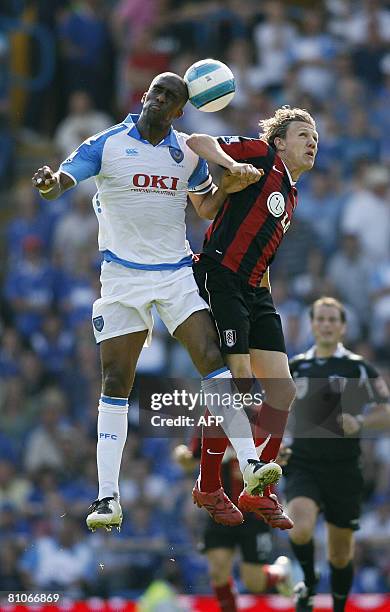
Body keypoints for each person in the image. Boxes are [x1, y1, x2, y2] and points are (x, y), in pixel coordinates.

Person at [31, 71, 282, 533]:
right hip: (122, 278)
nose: (157, 99)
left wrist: (233, 180)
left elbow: (205, 207)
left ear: (179, 110)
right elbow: (59, 181)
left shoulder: (185, 152)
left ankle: (249, 463)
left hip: (175, 275)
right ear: (145, 96)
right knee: (116, 380)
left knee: (211, 358)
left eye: (169, 97)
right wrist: (48, 183)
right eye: (155, 91)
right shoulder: (105, 144)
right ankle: (108, 495)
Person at [186, 106, 318, 529]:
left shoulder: (292, 193)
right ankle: (208, 484)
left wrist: (267, 303)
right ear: (280, 141)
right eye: (303, 134)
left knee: (282, 392)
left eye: (315, 137)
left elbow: (261, 250)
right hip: (221, 275)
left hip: (258, 292)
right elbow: (198, 142)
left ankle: (256, 489)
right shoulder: (260, 154)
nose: (312, 141)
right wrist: (229, 166)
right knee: (238, 383)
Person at [285, 297, 390, 612]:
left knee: (341, 554)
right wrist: (275, 445)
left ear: (342, 327)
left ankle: (340, 606)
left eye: (333, 319)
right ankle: (308, 579)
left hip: (344, 469)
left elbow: (386, 411)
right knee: (300, 527)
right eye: (321, 318)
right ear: (313, 324)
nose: (327, 324)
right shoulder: (295, 367)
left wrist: (360, 421)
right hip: (303, 463)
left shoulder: (359, 368)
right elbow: (274, 411)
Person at [174, 441, 293, 612]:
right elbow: (191, 458)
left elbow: (281, 457)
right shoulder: (214, 420)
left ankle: (281, 573)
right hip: (219, 508)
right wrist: (183, 456)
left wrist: (256, 473)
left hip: (254, 515)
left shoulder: (260, 420)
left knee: (254, 582)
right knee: (218, 570)